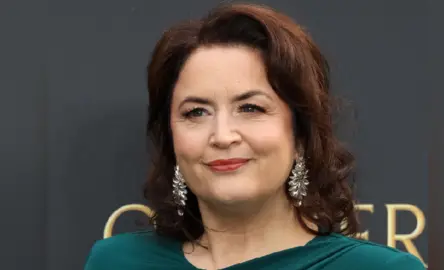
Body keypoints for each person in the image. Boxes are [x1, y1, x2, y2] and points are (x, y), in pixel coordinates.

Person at [84, 3, 425, 270]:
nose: (222, 135)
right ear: (171, 136)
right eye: (196, 112)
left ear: (301, 133)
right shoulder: (117, 263)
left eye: (250, 108)